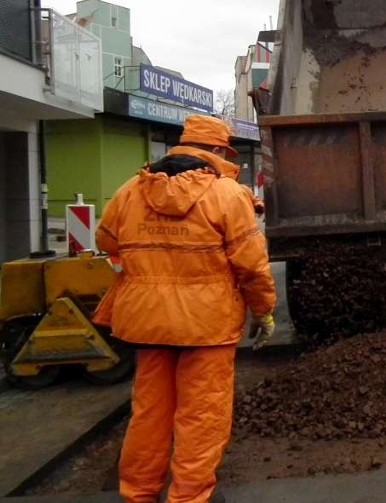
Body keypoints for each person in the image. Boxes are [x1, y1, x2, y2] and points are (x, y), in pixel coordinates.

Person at [93, 115, 277, 503]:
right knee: (202, 416)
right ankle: (189, 497)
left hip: (147, 323)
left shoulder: (131, 190)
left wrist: (147, 270)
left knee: (149, 412)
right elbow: (251, 267)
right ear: (216, 151)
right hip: (206, 327)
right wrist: (263, 312)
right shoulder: (228, 196)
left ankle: (139, 493)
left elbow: (106, 240)